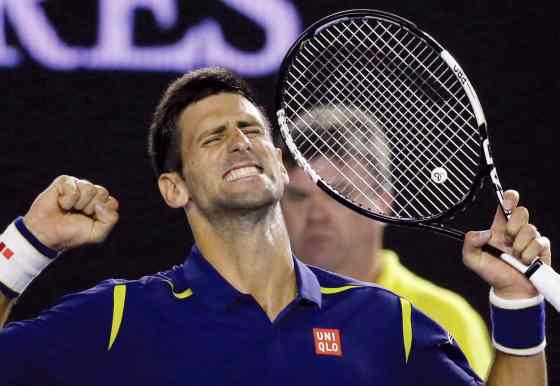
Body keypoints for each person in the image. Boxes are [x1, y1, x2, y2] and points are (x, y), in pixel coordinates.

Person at [0, 67, 551, 385]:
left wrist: (518, 302)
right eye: (212, 138)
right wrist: (26, 246)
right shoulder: (120, 319)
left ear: (280, 165)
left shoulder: (389, 323)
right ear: (176, 189)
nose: (239, 141)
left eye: (251, 129)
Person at [280, 106, 492, 378]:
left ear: (383, 204)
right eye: (299, 197)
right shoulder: (251, 312)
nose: (316, 215)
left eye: (338, 193)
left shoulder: (446, 319)